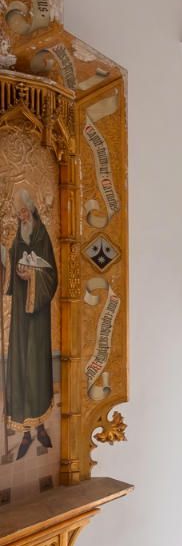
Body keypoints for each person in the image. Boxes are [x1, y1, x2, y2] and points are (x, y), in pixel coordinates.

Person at [2, 188, 58, 459]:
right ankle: (25, 433)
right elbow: (9, 263)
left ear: (32, 210)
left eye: (25, 211)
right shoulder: (18, 237)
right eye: (19, 213)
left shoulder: (42, 236)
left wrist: (33, 275)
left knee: (37, 369)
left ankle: (41, 427)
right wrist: (8, 262)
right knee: (21, 367)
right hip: (20, 320)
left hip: (38, 319)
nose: (22, 216)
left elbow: (52, 276)